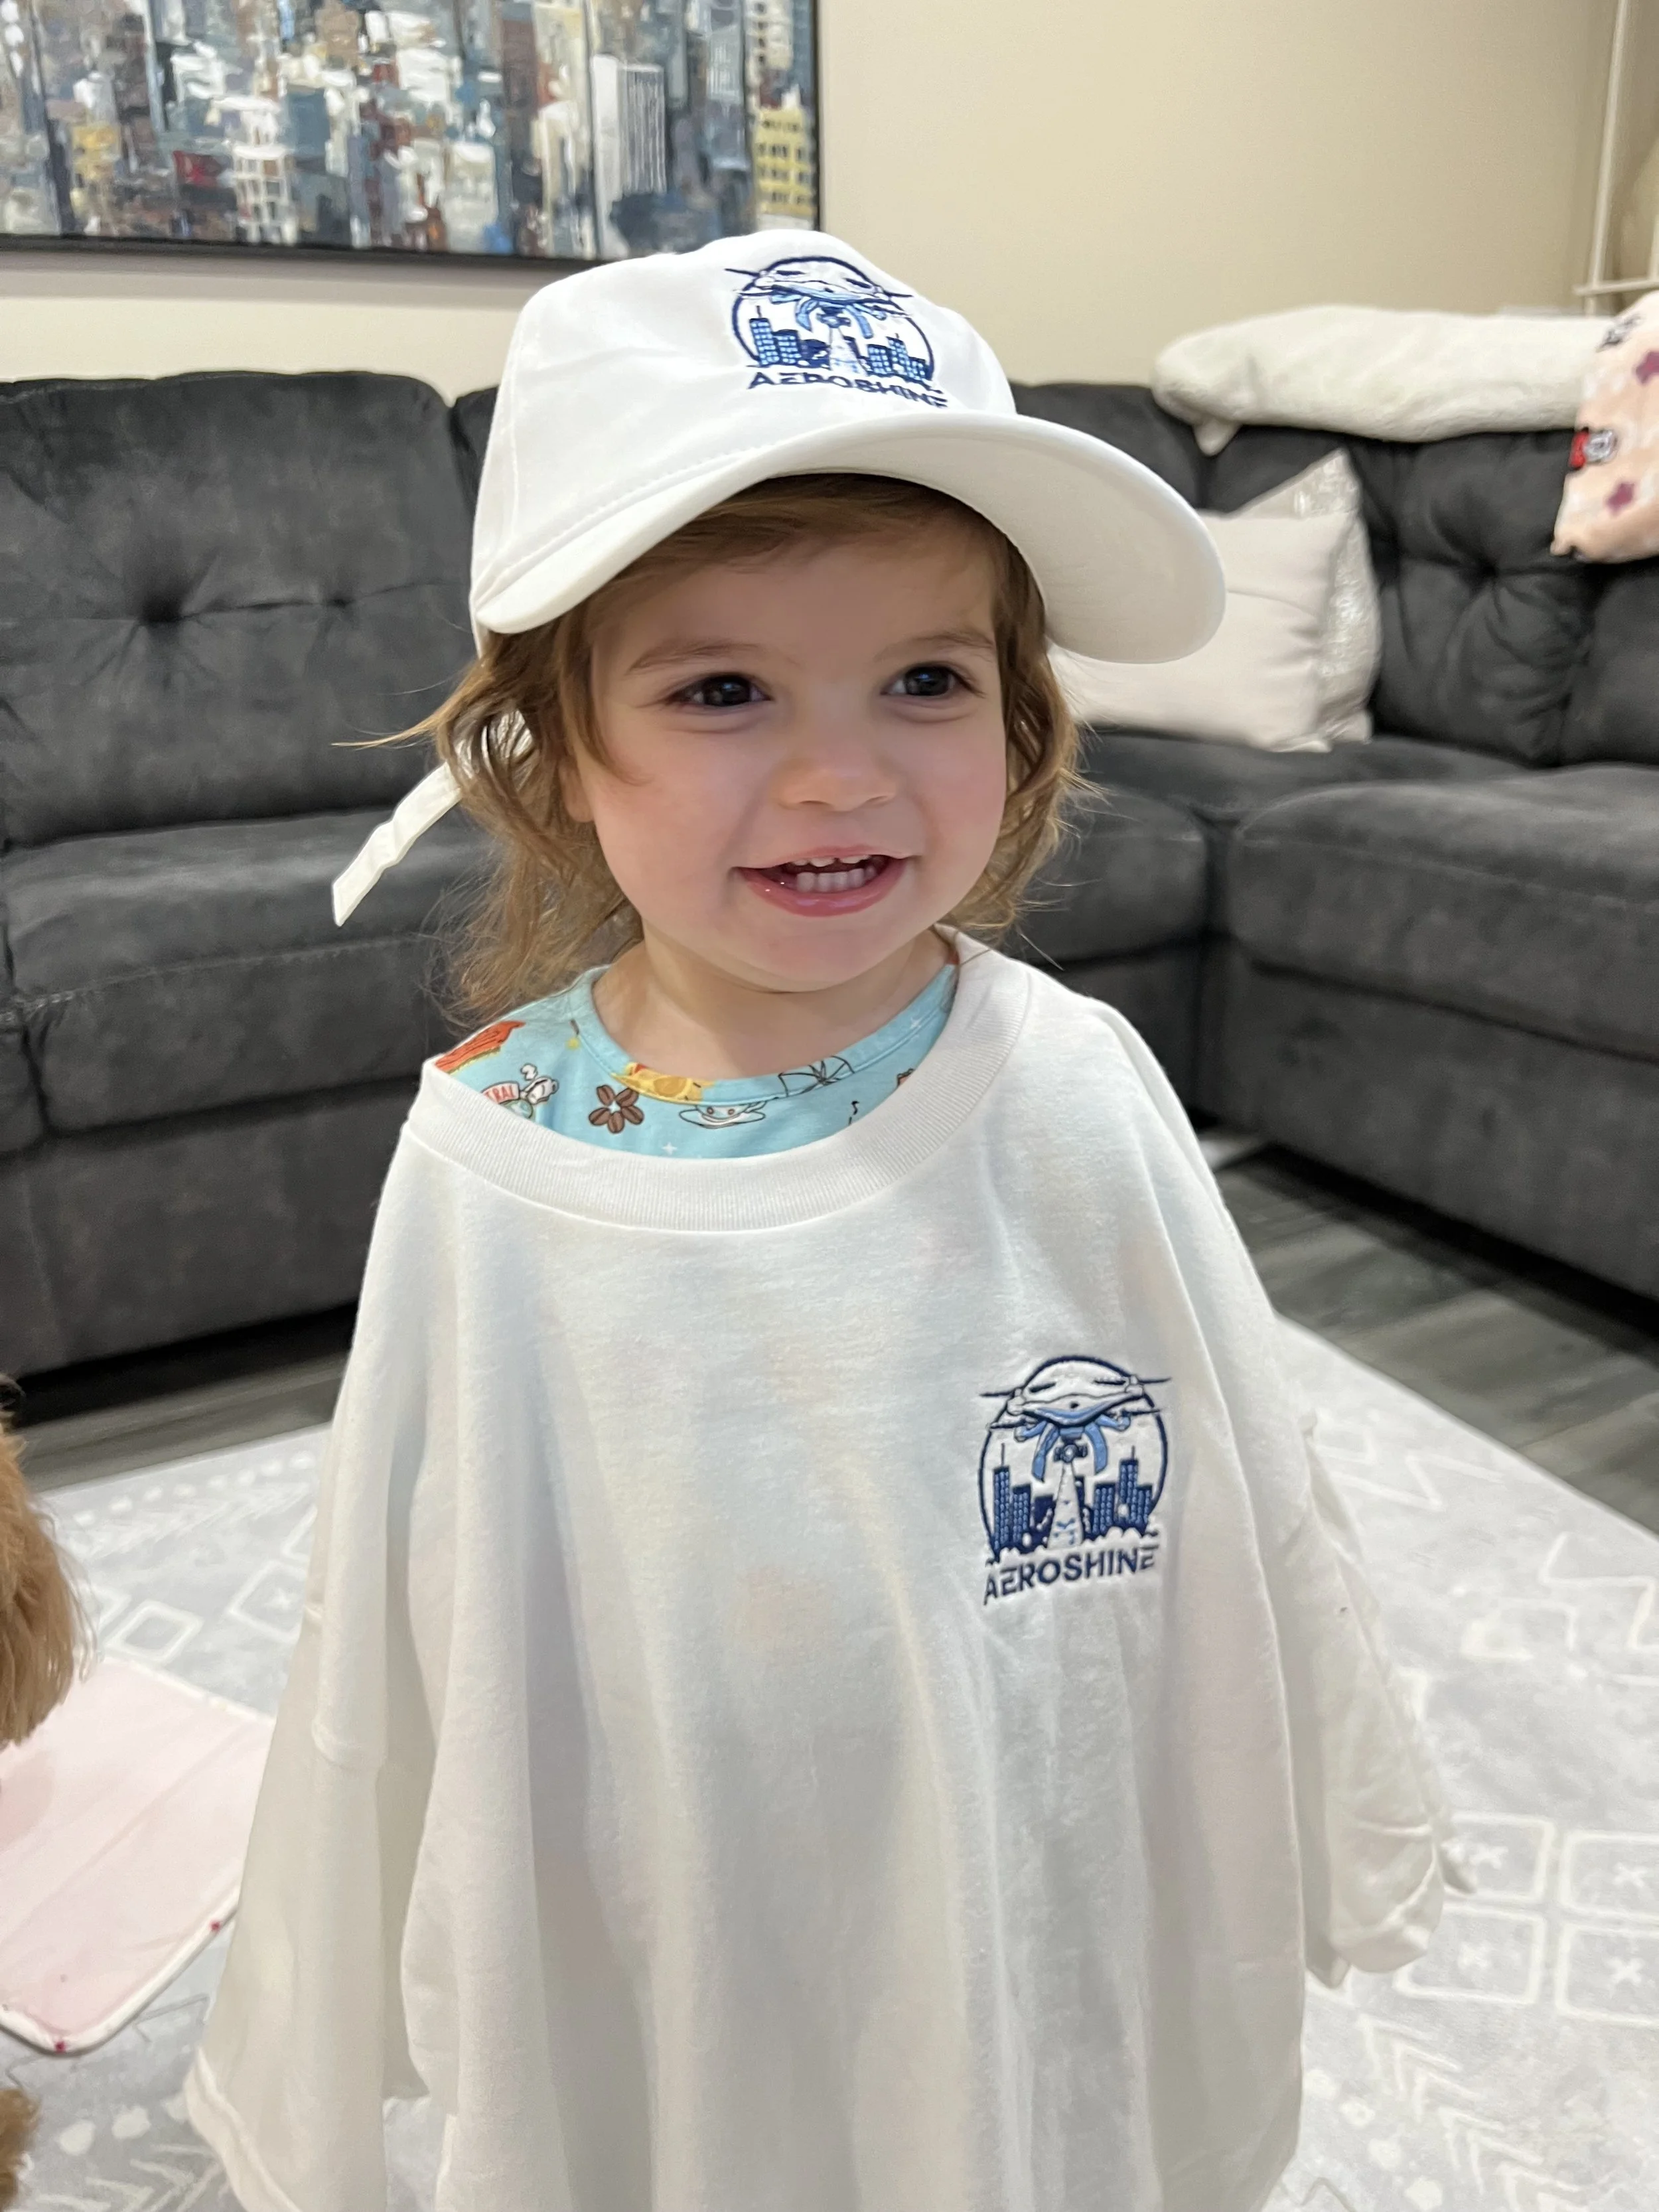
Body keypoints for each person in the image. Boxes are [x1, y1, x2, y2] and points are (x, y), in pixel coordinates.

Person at [186, 231, 1463, 2212]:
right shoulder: (492, 1155)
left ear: (1023, 718)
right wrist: (314, 2047)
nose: (838, 768)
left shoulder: (1078, 1083)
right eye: (718, 687)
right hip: (679, 1916)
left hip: (1015, 1886)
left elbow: (1247, 1505)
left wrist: (1337, 1822)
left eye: (926, 678)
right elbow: (387, 1652)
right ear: (551, 750)